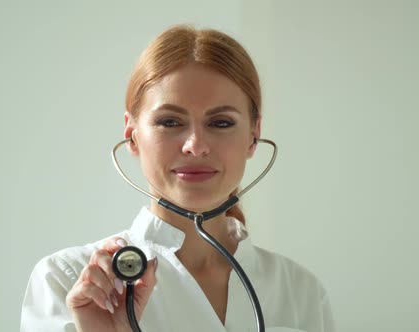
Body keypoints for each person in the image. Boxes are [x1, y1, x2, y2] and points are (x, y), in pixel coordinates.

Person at [21, 24, 335, 332]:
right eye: (170, 121)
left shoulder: (300, 293)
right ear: (132, 136)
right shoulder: (68, 282)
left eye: (221, 122)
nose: (195, 145)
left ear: (254, 136)